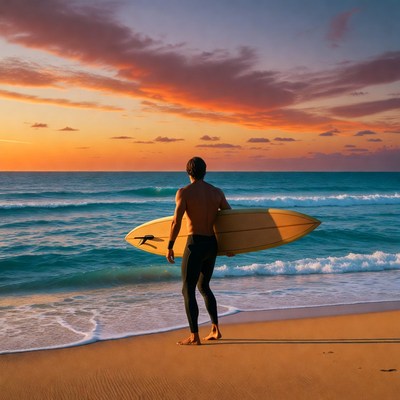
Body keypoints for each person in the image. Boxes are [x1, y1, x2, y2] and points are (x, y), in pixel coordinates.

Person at [166, 157, 231, 345]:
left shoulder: (184, 193)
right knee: (204, 287)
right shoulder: (216, 192)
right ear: (205, 171)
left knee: (188, 289)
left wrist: (170, 245)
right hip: (212, 245)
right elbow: (228, 219)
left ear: (188, 172)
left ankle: (194, 335)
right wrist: (230, 246)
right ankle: (215, 330)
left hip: (194, 244)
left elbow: (176, 222)